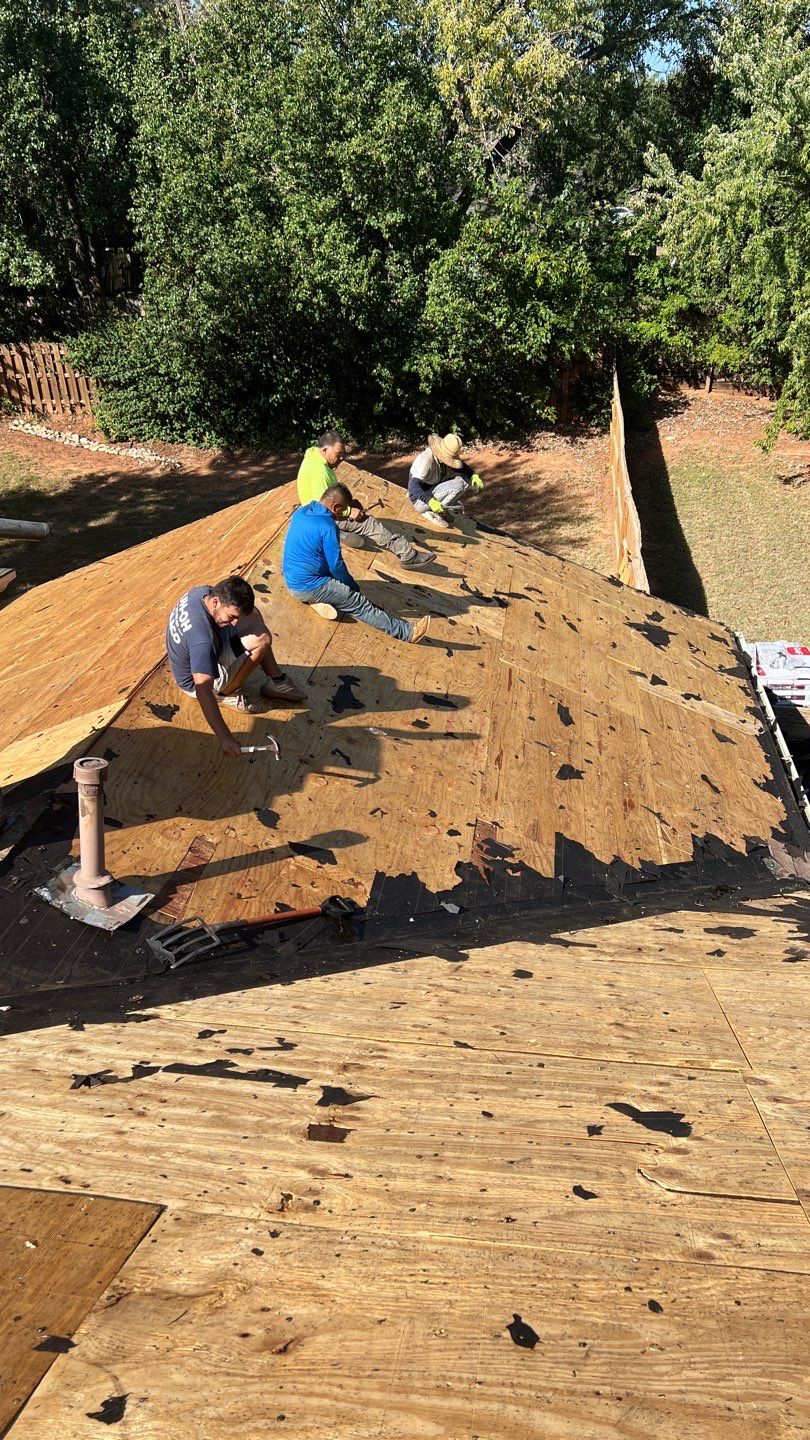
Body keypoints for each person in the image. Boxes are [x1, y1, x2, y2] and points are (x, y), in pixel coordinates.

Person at [166, 576, 304, 758]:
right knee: (261, 638)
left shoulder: (202, 593)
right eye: (231, 617)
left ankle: (276, 680)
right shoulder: (202, 641)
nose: (234, 622)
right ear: (216, 602)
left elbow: (235, 617)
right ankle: (227, 692)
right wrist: (226, 738)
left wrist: (235, 618)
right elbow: (202, 691)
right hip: (196, 681)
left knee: (253, 614)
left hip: (204, 652)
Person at [282, 482, 431, 643]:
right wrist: (351, 587)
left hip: (291, 578)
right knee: (358, 603)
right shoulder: (327, 526)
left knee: (334, 582)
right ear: (336, 507)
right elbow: (336, 565)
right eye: (343, 509)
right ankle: (407, 633)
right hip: (310, 584)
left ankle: (316, 598)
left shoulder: (302, 511)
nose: (343, 513)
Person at [297, 430, 433, 568]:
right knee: (370, 524)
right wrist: (349, 512)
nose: (341, 458)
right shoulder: (319, 473)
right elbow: (325, 508)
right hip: (322, 518)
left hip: (320, 512)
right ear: (325, 449)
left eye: (343, 454)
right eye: (338, 454)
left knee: (356, 510)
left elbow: (330, 496)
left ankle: (342, 532)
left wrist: (350, 503)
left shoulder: (314, 456)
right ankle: (408, 555)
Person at [407, 432, 483, 529]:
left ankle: (442, 509)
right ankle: (432, 512)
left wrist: (474, 475)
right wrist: (430, 501)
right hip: (420, 501)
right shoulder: (426, 460)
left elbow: (461, 468)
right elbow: (413, 487)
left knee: (466, 480)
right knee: (459, 485)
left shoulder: (440, 458)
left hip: (431, 491)